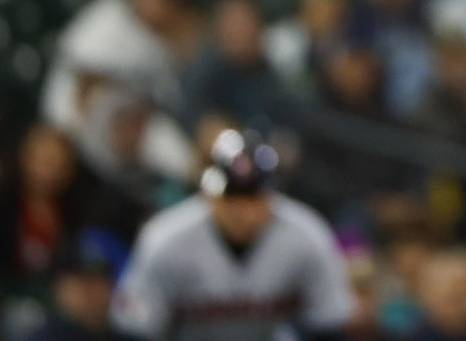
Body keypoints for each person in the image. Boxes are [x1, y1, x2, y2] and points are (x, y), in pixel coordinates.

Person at [110, 129, 356, 341]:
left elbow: (329, 325)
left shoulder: (306, 235)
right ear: (210, 195)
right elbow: (135, 329)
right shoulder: (165, 239)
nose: (242, 212)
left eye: (252, 198)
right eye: (231, 198)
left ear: (272, 197)